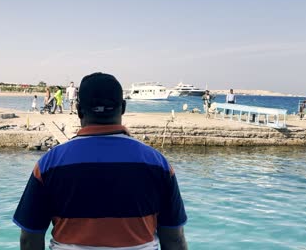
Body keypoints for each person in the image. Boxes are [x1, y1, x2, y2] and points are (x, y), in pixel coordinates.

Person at [13, 72, 188, 250]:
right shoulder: (158, 164)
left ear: (80, 110)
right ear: (123, 108)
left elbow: (29, 238)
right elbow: (174, 240)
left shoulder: (49, 164)